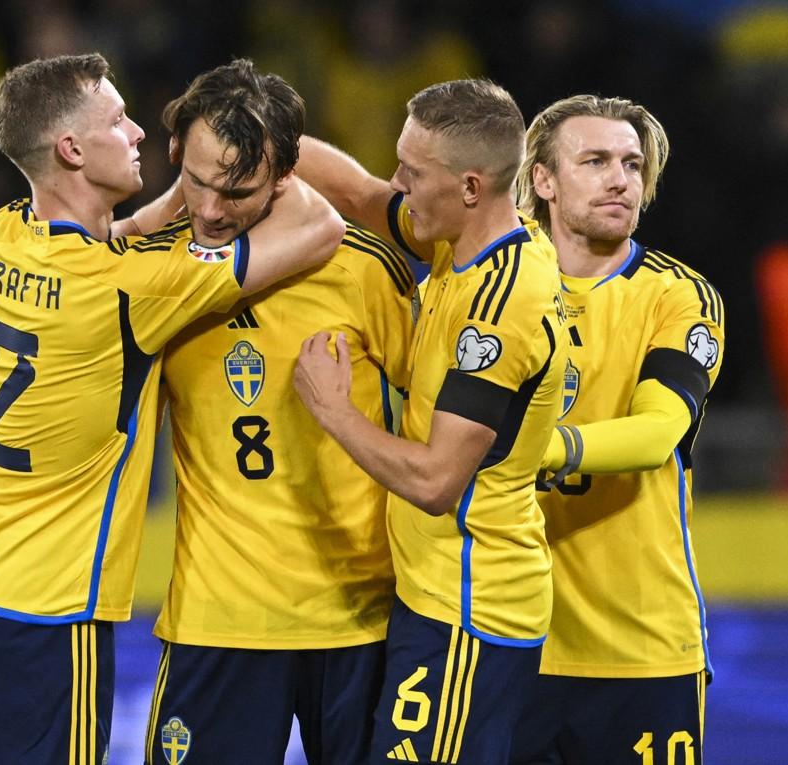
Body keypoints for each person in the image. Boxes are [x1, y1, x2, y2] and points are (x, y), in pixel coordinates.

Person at [0, 53, 345, 764]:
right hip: (43, 613)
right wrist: (259, 162)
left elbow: (107, 242)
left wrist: (172, 199)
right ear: (71, 149)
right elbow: (319, 228)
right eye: (117, 121)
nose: (140, 131)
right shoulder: (133, 293)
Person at [142, 60, 415, 765]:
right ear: (176, 157)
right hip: (219, 618)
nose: (208, 209)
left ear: (285, 173)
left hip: (359, 618)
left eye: (236, 192)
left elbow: (439, 414)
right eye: (196, 182)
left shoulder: (361, 268)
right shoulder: (156, 269)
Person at [293, 79, 565, 765]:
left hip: (469, 610)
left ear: (471, 187)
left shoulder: (499, 310)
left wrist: (332, 408)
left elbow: (438, 479)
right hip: (432, 594)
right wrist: (261, 138)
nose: (397, 183)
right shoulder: (457, 238)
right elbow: (357, 192)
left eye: (412, 173)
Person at [506, 95, 725, 765]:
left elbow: (657, 432)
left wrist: (527, 452)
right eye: (595, 160)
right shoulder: (494, 285)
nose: (620, 179)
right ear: (543, 180)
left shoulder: (677, 295)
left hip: (642, 649)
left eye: (632, 164)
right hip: (507, 639)